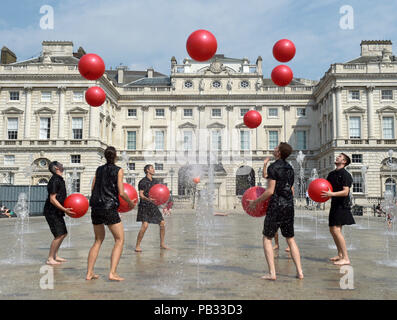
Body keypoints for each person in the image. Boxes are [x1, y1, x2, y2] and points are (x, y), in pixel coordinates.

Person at [248, 143, 303, 280]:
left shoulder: (275, 167)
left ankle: (272, 273)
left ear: (279, 153)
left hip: (276, 206)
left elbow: (270, 191)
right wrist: (265, 165)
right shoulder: (290, 168)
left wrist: (255, 202)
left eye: (276, 148)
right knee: (290, 239)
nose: (274, 149)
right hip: (289, 205)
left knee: (267, 238)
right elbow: (288, 187)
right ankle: (300, 272)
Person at [86, 146, 136, 281]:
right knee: (119, 240)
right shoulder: (118, 170)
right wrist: (131, 203)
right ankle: (112, 273)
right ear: (115, 157)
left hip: (96, 207)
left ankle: (89, 273)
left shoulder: (99, 169)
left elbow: (93, 188)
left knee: (97, 240)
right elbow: (121, 192)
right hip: (109, 207)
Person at [321, 153, 355, 266]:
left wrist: (331, 194)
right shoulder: (331, 174)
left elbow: (346, 192)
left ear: (344, 161)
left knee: (336, 230)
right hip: (334, 204)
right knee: (333, 230)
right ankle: (340, 254)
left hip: (342, 205)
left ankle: (346, 258)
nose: (337, 157)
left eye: (340, 157)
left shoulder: (346, 175)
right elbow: (326, 188)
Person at [43, 161, 76, 265]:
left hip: (57, 211)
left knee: (63, 234)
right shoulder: (54, 180)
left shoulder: (60, 179)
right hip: (51, 212)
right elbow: (52, 199)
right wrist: (64, 210)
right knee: (59, 234)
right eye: (60, 164)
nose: (63, 165)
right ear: (56, 168)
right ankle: (50, 258)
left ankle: (55, 255)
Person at [135, 164, 169, 252]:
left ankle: (162, 244)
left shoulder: (155, 181)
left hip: (153, 206)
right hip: (145, 206)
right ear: (147, 170)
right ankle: (137, 245)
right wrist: (148, 199)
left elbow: (159, 194)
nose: (154, 170)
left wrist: (164, 206)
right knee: (145, 225)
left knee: (162, 223)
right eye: (152, 168)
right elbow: (141, 195)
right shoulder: (142, 181)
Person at [262, 157, 291, 253]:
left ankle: (289, 245)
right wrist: (265, 164)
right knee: (274, 228)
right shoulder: (274, 175)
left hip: (283, 202)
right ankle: (277, 244)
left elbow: (291, 189)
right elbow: (265, 175)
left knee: (286, 227)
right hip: (275, 201)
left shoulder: (287, 176)